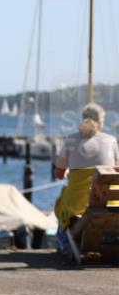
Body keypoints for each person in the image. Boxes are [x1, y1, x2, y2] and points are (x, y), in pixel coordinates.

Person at [53, 103, 119, 251]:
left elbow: (58, 174)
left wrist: (73, 172)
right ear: (101, 123)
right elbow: (115, 171)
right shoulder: (111, 140)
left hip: (78, 207)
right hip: (111, 205)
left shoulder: (70, 140)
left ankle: (66, 243)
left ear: (83, 121)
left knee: (62, 200)